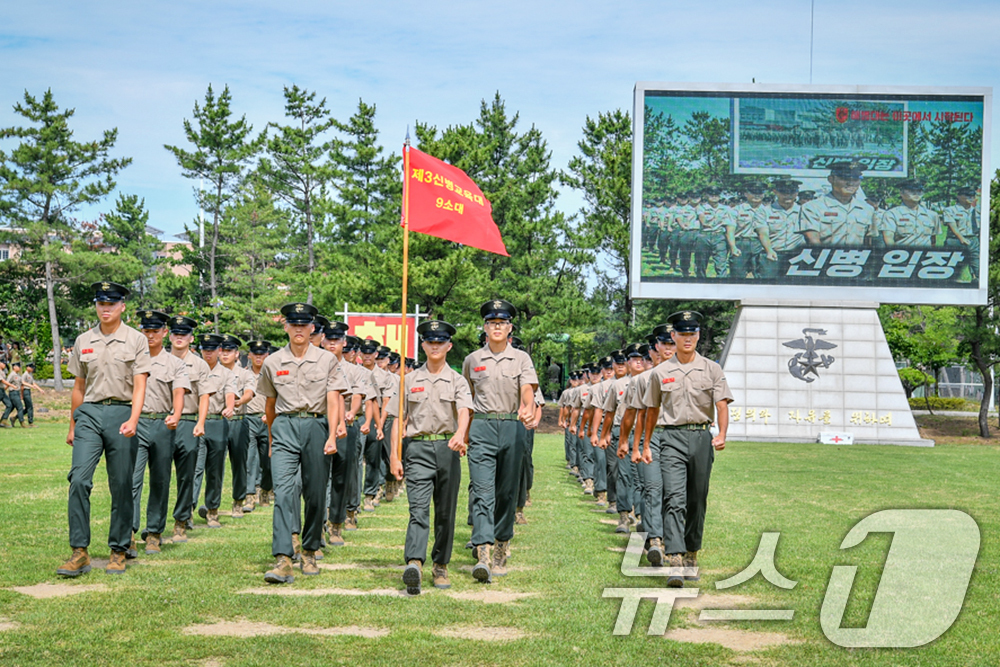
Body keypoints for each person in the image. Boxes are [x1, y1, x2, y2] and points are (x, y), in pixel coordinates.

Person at [58, 281, 151, 577]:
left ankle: (119, 549)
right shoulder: (84, 340)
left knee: (121, 483)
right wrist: (73, 425)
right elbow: (79, 386)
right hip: (89, 414)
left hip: (122, 413)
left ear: (122, 306)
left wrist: (134, 419)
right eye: (101, 303)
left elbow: (140, 385)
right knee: (79, 480)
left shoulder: (136, 340)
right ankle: (79, 551)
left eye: (111, 303)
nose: (105, 308)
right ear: (96, 306)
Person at [642, 311, 734, 587]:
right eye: (682, 334)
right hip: (671, 438)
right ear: (674, 336)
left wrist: (722, 434)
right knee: (674, 498)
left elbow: (721, 404)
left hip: (701, 437)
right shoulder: (661, 372)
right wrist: (646, 443)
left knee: (697, 499)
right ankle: (675, 558)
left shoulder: (711, 369)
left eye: (692, 334)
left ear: (698, 335)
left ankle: (692, 552)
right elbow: (652, 409)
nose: (687, 339)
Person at [257, 302, 346, 584]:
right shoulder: (272, 362)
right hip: (284, 426)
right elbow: (270, 404)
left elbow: (333, 399)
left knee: (316, 493)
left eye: (304, 324)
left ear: (312, 328)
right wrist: (272, 437)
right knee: (283, 493)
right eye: (293, 324)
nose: (298, 329)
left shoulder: (326, 360)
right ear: (285, 326)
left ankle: (309, 549)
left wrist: (332, 435)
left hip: (316, 425)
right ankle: (283, 558)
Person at [388, 320, 472, 594]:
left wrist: (460, 434)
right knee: (418, 509)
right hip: (418, 449)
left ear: (449, 346)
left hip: (448, 449)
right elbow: (397, 419)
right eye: (430, 342)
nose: (435, 346)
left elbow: (464, 411)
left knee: (446, 513)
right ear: (422, 345)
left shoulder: (457, 380)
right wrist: (395, 456)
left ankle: (441, 565)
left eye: (440, 342)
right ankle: (414, 562)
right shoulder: (409, 381)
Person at [462, 299, 538, 582]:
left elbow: (527, 389)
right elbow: (466, 400)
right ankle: (483, 550)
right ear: (485, 327)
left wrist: (527, 407)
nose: (497, 327)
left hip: (511, 426)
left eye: (502, 323)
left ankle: (501, 545)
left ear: (510, 328)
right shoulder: (472, 360)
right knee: (482, 490)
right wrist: (463, 434)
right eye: (492, 323)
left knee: (506, 492)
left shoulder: (521, 359)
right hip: (481, 427)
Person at [131, 310, 189, 556]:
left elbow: (179, 392)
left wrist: (176, 414)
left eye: (155, 330)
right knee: (131, 479)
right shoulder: (132, 359)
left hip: (162, 424)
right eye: (146, 330)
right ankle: (128, 531)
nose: (150, 335)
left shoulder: (175, 363)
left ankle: (154, 533)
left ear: (165, 332)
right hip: (137, 423)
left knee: (160, 479)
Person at [167, 316, 212, 542]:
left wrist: (200, 422)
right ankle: (154, 525)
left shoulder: (199, 365)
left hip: (187, 421)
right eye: (175, 333)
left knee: (186, 476)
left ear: (191, 338)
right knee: (159, 476)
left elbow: (204, 396)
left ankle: (181, 521)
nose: (179, 338)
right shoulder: (159, 360)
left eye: (183, 334)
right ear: (169, 336)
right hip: (162, 421)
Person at [192, 334, 237, 528]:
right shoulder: (194, 369)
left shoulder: (227, 374)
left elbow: (230, 393)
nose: (208, 353)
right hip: (196, 422)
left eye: (212, 350)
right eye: (205, 349)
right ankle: (188, 510)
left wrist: (230, 407)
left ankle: (212, 510)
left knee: (215, 470)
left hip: (218, 423)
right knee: (195, 468)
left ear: (219, 351)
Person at [798, 162, 875, 245]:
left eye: (855, 179)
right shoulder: (813, 207)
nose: (851, 183)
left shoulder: (867, 209)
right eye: (845, 178)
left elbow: (869, 242)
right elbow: (813, 240)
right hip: (825, 253)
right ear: (831, 179)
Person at [220, 334, 255, 516]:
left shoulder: (244, 373)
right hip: (217, 421)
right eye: (222, 350)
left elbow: (249, 392)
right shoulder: (213, 371)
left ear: (236, 354)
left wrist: (240, 401)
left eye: (229, 351)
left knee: (239, 463)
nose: (225, 354)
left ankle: (238, 501)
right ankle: (212, 504)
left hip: (238, 421)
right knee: (214, 465)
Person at [243, 339, 272, 507]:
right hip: (249, 419)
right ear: (250, 355)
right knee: (249, 459)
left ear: (267, 355)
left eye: (262, 354)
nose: (258, 357)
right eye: (255, 354)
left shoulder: (272, 373)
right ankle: (250, 494)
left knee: (268, 461)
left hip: (268, 419)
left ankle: (265, 489)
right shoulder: (244, 374)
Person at [756, 179, 804, 279]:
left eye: (791, 192)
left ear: (797, 193)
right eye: (783, 192)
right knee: (768, 286)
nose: (788, 195)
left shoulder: (804, 211)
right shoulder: (765, 211)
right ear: (775, 192)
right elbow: (763, 233)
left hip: (796, 256)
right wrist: (769, 250)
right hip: (772, 255)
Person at [879, 180, 941, 247]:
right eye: (911, 190)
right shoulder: (892, 214)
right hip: (902, 252)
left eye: (919, 190)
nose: (916, 193)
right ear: (901, 193)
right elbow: (888, 239)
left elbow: (933, 240)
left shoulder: (932, 215)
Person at [3, 361, 25, 427]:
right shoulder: (12, 374)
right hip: (13, 393)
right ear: (14, 367)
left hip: (17, 393)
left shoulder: (18, 375)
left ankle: (3, 420)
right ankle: (22, 423)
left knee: (11, 407)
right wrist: (3, 391)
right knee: (20, 407)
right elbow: (7, 383)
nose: (19, 368)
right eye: (18, 366)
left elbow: (22, 383)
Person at [20, 362, 42, 427]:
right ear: (27, 367)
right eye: (31, 367)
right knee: (30, 407)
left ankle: (15, 417)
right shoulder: (25, 375)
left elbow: (33, 383)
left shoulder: (30, 375)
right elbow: (22, 384)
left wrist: (40, 389)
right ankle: (30, 422)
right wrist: (22, 394)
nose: (32, 369)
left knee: (28, 408)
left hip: (28, 391)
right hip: (25, 391)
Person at [0, 360, 13, 428]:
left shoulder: (3, 372)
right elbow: (2, 381)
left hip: (2, 390)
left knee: (9, 405)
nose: (4, 365)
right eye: (3, 363)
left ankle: (3, 420)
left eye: (5, 364)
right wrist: (11, 385)